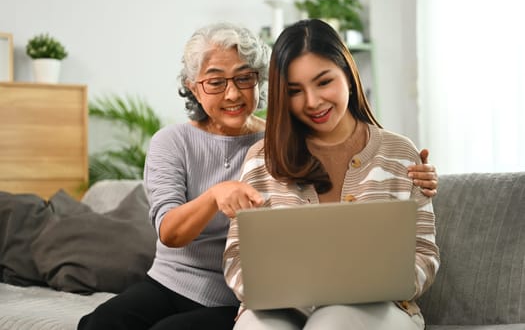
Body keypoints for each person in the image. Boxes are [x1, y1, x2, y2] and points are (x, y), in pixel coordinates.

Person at [78, 22, 437, 330]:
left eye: (243, 79)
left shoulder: (284, 141)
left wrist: (423, 178)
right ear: (193, 86)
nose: (232, 93)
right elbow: (180, 234)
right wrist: (216, 195)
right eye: (215, 82)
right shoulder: (236, 149)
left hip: (257, 301)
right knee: (101, 324)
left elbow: (419, 244)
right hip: (196, 287)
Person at [223, 19, 440, 330]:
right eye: (295, 91)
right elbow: (236, 256)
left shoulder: (399, 153)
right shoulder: (262, 160)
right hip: (281, 309)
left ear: (349, 77)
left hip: (379, 309)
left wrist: (380, 284)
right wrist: (265, 290)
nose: (312, 102)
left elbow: (424, 253)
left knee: (332, 323)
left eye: (324, 82)